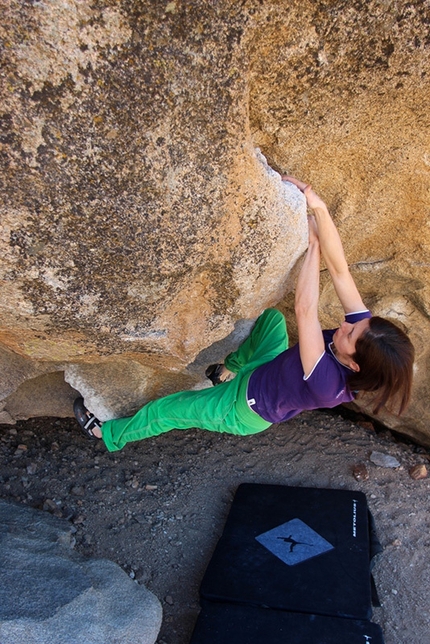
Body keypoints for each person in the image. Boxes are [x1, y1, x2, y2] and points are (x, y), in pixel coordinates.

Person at [74, 176, 415, 452]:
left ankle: (110, 435)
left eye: (350, 335)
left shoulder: (329, 386)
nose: (346, 324)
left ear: (354, 365)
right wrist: (319, 206)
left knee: (169, 411)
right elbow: (340, 272)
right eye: (356, 325)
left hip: (245, 407)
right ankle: (229, 368)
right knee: (271, 322)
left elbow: (306, 310)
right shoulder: (364, 336)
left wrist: (313, 247)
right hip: (266, 367)